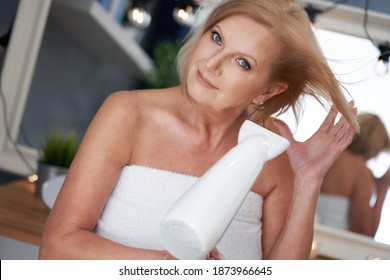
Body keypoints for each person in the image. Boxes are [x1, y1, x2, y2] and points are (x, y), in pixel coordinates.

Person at [39, 0, 357, 260]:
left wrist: (308, 181)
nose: (212, 63)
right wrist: (166, 266)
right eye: (216, 37)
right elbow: (56, 248)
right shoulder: (127, 114)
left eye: (243, 62)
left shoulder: (270, 154)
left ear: (268, 92)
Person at [317, 113, 390, 237]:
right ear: (375, 147)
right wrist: (382, 191)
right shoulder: (361, 172)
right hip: (330, 248)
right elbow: (365, 233)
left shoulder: (322, 153)